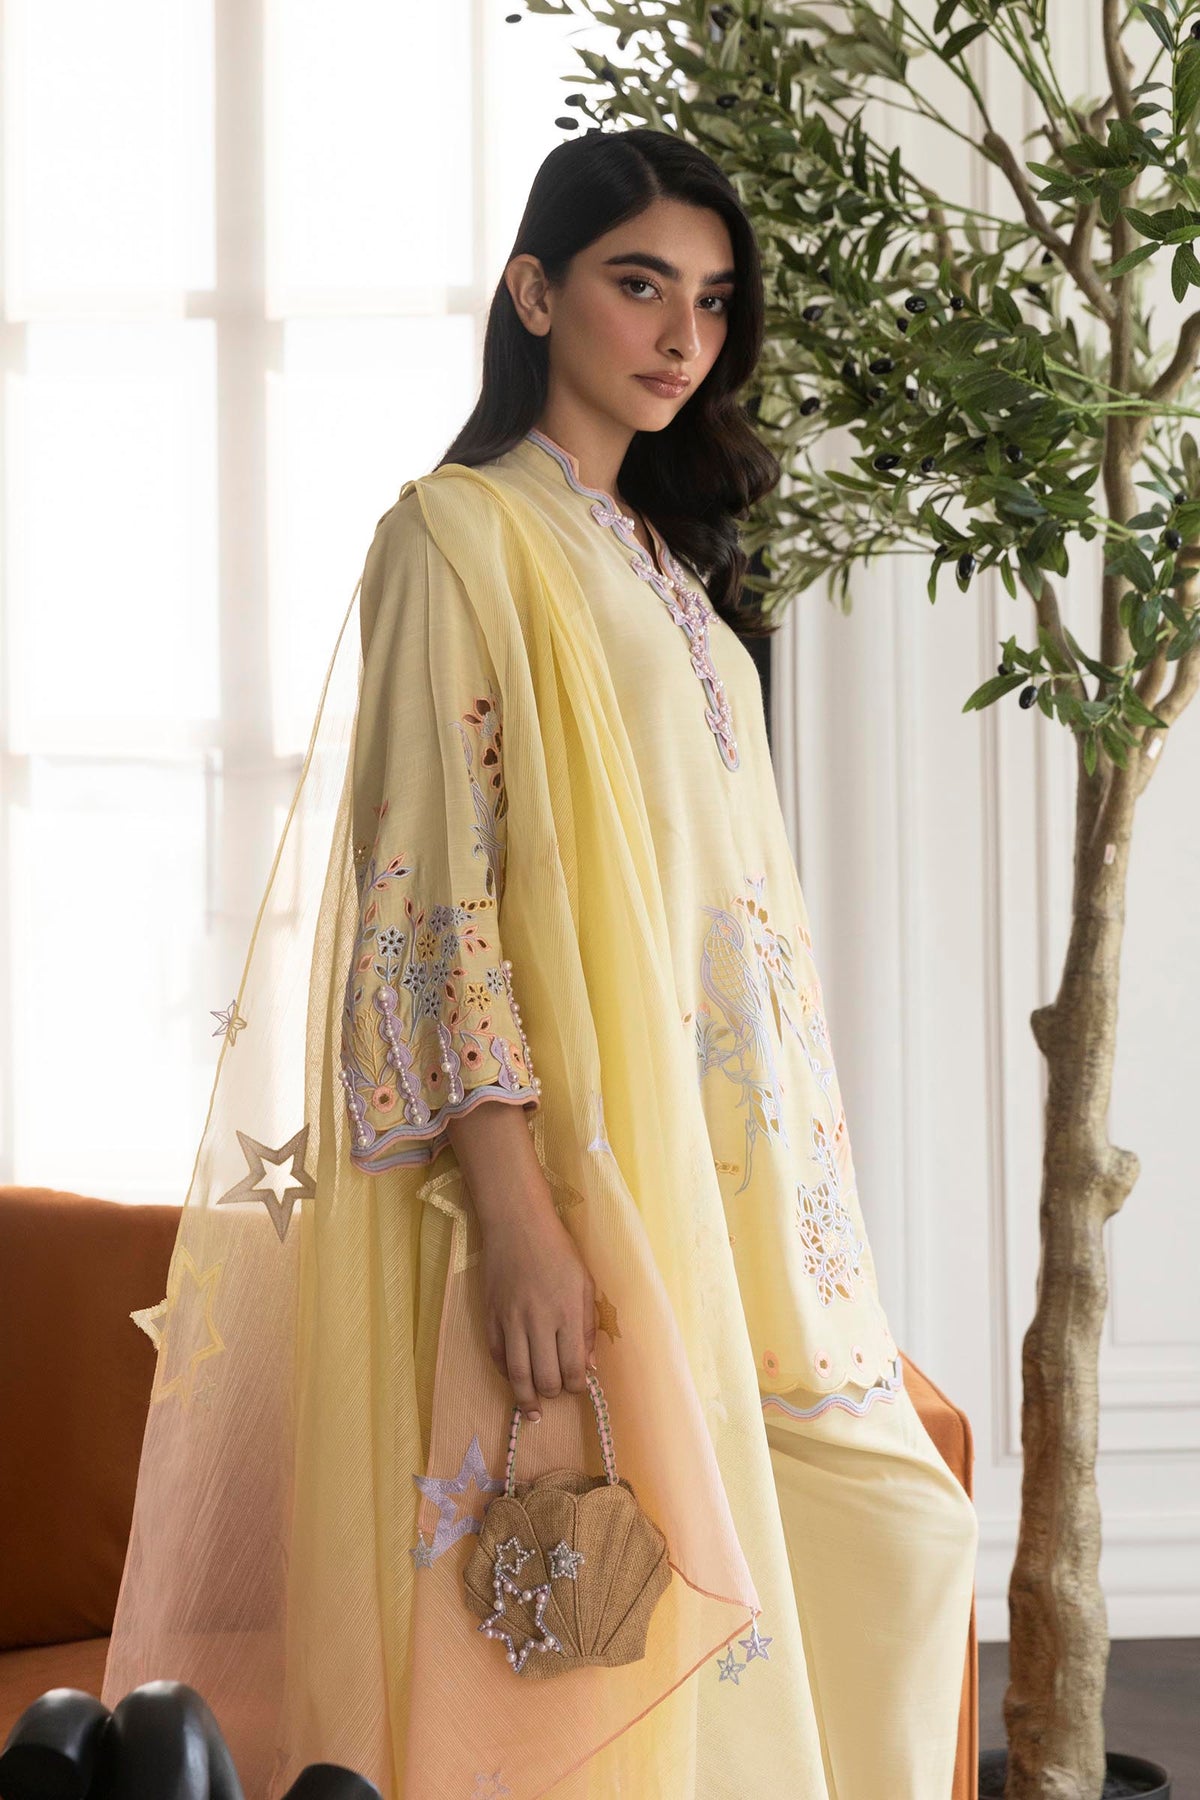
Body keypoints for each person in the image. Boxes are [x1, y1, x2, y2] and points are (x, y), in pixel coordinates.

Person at [101, 126, 979, 1798]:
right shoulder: (458, 534)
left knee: (895, 1530)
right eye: (639, 284)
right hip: (595, 1172)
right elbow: (430, 904)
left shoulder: (670, 569)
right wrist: (515, 1214)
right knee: (610, 1629)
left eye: (712, 302)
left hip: (750, 1180)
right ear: (533, 292)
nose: (681, 335)